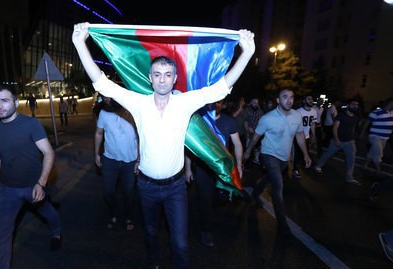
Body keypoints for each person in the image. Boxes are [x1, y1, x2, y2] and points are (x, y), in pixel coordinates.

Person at [72, 22, 255, 269]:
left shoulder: (185, 103)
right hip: (146, 186)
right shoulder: (138, 102)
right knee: (149, 234)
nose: (162, 79)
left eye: (168, 74)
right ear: (150, 78)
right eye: (157, 74)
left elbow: (221, 87)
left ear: (175, 78)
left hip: (175, 188)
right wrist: (79, 43)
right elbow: (102, 83)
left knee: (180, 244)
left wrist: (247, 53)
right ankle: (154, 263)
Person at [0, 86, 62, 269]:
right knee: (2, 235)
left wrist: (41, 183)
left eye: (4, 100)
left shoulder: (30, 124)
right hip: (7, 190)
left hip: (33, 186)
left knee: (47, 212)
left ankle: (57, 232)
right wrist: (5, 172)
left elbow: (49, 153)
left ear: (16, 102)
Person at [242, 88, 312, 234]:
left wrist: (306, 154)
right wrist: (248, 151)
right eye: (285, 97)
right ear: (278, 100)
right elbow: (256, 136)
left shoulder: (297, 116)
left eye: (292, 97)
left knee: (270, 178)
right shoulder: (267, 118)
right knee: (278, 185)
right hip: (269, 154)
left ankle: (255, 193)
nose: (289, 100)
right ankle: (282, 224)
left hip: (284, 157)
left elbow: (299, 135)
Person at [184, 98, 243, 248]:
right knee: (205, 200)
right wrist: (188, 168)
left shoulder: (229, 121)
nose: (215, 105)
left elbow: (237, 144)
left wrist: (239, 166)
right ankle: (206, 231)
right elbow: (191, 147)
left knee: (218, 198)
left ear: (222, 104)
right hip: (204, 168)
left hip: (223, 168)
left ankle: (211, 214)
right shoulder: (199, 122)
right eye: (212, 102)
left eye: (218, 102)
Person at [95, 95, 139, 231]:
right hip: (110, 160)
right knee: (108, 192)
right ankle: (114, 211)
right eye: (104, 97)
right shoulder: (103, 113)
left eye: (109, 97)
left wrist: (139, 159)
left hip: (130, 161)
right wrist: (96, 153)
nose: (106, 100)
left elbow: (140, 135)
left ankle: (129, 216)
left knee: (128, 192)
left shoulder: (130, 111)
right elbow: (99, 133)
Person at [314, 98, 362, 185]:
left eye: (357, 105)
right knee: (328, 154)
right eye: (353, 104)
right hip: (337, 140)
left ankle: (349, 177)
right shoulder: (341, 115)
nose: (355, 106)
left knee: (351, 159)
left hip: (349, 141)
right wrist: (336, 140)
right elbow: (335, 128)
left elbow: (353, 128)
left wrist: (353, 138)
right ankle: (318, 165)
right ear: (348, 105)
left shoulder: (356, 117)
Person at [363, 97, 393, 176]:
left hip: (385, 138)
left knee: (372, 152)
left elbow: (391, 124)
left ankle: (365, 165)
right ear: (390, 103)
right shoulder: (377, 112)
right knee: (379, 153)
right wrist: (362, 133)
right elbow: (367, 122)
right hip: (375, 136)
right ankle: (378, 171)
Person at [292, 95, 317, 179]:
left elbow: (313, 124)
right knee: (297, 153)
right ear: (304, 101)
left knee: (305, 152)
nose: (311, 100)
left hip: (306, 136)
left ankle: (306, 163)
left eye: (311, 98)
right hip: (297, 136)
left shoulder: (314, 111)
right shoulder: (298, 112)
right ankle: (295, 169)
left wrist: (313, 135)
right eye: (308, 99)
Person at [246, 97, 264, 165]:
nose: (255, 104)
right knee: (248, 146)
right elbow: (245, 120)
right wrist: (248, 129)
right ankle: (246, 161)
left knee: (258, 146)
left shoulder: (260, 111)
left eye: (256, 102)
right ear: (251, 103)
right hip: (249, 132)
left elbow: (262, 120)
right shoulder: (247, 110)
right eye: (254, 102)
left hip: (258, 132)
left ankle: (256, 159)